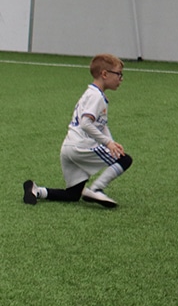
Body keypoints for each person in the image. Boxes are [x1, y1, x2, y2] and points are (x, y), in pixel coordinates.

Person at [24, 54, 132, 208]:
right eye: (119, 74)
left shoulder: (92, 93)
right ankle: (96, 188)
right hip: (81, 146)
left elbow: (101, 124)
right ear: (105, 74)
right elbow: (86, 123)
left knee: (73, 194)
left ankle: (36, 190)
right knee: (124, 159)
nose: (121, 78)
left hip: (68, 147)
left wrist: (112, 142)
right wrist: (108, 143)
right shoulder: (96, 97)